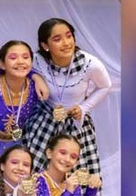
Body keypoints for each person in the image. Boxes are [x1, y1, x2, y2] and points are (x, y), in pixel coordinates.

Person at [26, 18, 112, 178]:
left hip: (74, 122)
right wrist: (36, 77)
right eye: (57, 39)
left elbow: (105, 86)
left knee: (75, 175)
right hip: (45, 121)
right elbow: (18, 68)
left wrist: (84, 108)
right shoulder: (36, 60)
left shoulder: (90, 63)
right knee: (37, 171)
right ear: (45, 45)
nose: (66, 43)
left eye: (69, 36)